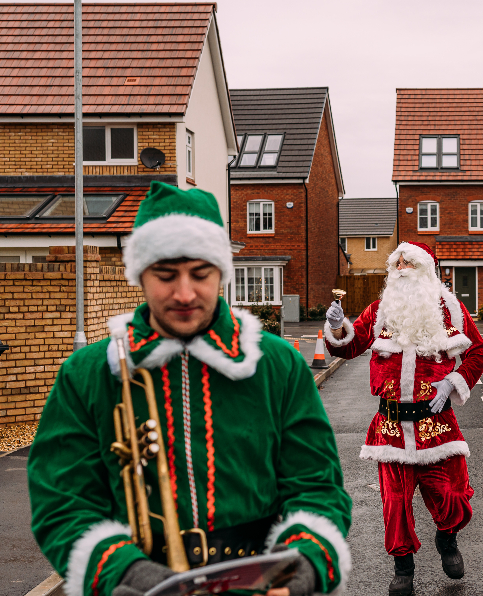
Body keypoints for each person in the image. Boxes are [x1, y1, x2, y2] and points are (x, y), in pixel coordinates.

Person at [28, 182, 352, 596]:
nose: (184, 293)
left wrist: (303, 565)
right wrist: (127, 574)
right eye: (165, 275)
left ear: (221, 271)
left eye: (200, 274)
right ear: (140, 274)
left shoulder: (277, 363)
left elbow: (316, 485)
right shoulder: (86, 373)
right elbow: (63, 500)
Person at [324, 242, 483, 596]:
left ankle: (447, 537)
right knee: (394, 503)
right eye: (396, 262)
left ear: (427, 269)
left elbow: (478, 353)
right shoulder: (380, 311)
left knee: (453, 495)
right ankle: (403, 567)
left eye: (409, 261)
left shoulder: (451, 310)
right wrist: (337, 330)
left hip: (438, 426)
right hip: (391, 430)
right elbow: (349, 347)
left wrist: (453, 382)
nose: (401, 267)